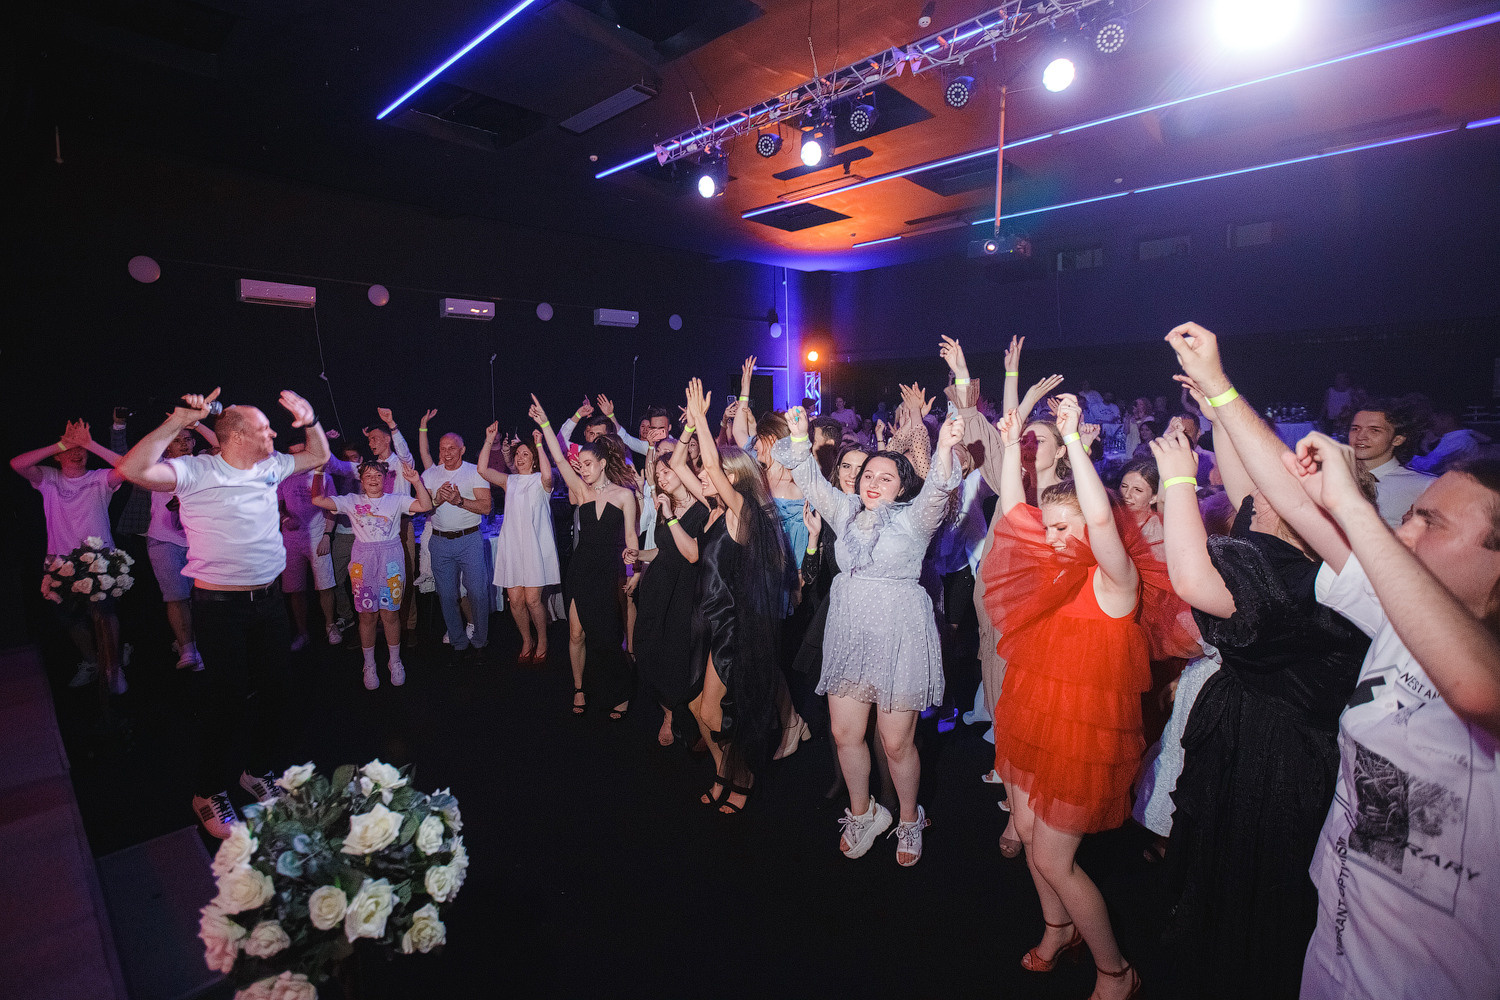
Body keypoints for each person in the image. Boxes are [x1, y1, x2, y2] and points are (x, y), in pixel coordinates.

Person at [1164, 321, 1500, 1000]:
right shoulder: (1395, 615)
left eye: (1430, 522)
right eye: (1410, 515)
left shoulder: (1469, 663)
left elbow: (1476, 689)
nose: (1404, 531)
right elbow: (1287, 497)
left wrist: (1352, 508)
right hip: (1338, 938)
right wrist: (1219, 388)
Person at [1149, 409, 1371, 999]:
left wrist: (1178, 481)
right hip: (1243, 730)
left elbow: (1193, 582)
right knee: (1216, 863)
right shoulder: (1280, 548)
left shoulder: (1305, 584)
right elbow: (1249, 487)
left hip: (1279, 758)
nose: (1258, 492)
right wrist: (1216, 409)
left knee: (1255, 883)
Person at [983, 393, 1192, 1000]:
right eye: (1048, 527)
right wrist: (1010, 445)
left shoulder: (1115, 580)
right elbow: (1012, 510)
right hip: (1033, 714)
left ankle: (1116, 969)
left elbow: (1100, 521)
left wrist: (1074, 440)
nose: (1050, 537)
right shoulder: (1051, 567)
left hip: (1081, 735)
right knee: (1028, 833)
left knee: (1055, 857)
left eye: (1062, 527)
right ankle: (1059, 928)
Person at [116, 387, 329, 838]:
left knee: (277, 692)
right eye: (264, 428)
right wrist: (178, 420)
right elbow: (130, 470)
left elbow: (317, 456)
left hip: (268, 603)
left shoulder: (271, 465)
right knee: (226, 702)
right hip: (220, 608)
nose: (273, 433)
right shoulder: (196, 471)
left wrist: (311, 421)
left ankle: (256, 771)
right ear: (235, 436)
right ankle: (207, 791)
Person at [778, 400, 966, 864]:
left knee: (896, 741)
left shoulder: (915, 517)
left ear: (902, 486)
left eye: (886, 477)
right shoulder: (844, 510)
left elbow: (938, 489)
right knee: (844, 733)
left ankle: (909, 818)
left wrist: (944, 447)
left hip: (899, 636)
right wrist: (800, 438)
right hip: (850, 632)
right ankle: (863, 814)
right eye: (868, 475)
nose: (873, 482)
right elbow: (811, 481)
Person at [675, 379, 789, 814]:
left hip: (732, 627)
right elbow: (679, 464)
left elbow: (708, 462)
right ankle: (724, 769)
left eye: (713, 473)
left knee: (716, 713)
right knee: (697, 708)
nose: (703, 475)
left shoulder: (744, 513)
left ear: (734, 477)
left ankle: (740, 777)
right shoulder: (713, 511)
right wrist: (689, 426)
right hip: (707, 620)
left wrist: (703, 421)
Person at [530, 394, 639, 718]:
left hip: (607, 571)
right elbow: (559, 457)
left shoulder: (625, 495)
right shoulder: (580, 491)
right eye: (581, 464)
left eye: (588, 463)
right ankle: (579, 688)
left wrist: (633, 572)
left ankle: (620, 689)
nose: (583, 468)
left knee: (606, 636)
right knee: (576, 632)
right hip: (580, 569)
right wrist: (545, 423)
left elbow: (631, 538)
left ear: (603, 463)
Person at [12, 419, 128, 691]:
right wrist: (62, 443)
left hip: (101, 561)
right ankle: (92, 662)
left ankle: (113, 668)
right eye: (70, 449)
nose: (77, 453)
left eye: (81, 449)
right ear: (58, 454)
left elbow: (128, 467)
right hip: (61, 562)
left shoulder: (99, 478)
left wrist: (91, 444)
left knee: (104, 615)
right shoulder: (49, 479)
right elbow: (17, 464)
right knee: (72, 619)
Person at [313, 459, 432, 688]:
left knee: (390, 613)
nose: (373, 480)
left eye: (378, 475)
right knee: (367, 615)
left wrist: (416, 482)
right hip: (363, 561)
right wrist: (319, 470)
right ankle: (369, 664)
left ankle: (394, 661)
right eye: (368, 475)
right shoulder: (351, 501)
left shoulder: (396, 500)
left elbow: (425, 506)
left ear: (385, 479)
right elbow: (317, 499)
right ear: (361, 480)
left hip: (391, 559)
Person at [629, 435, 709, 747]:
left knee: (678, 657)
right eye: (658, 474)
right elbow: (662, 550)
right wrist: (639, 554)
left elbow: (691, 554)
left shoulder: (703, 509)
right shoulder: (667, 506)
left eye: (667, 471)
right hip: (657, 590)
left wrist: (671, 517)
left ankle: (686, 717)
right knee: (648, 651)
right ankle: (667, 711)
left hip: (684, 593)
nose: (661, 478)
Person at [479, 423, 560, 664]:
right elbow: (482, 470)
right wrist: (489, 439)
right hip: (513, 546)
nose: (520, 458)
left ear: (534, 460)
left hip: (534, 547)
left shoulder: (541, 481)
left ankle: (542, 640)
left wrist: (539, 445)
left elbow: (548, 475)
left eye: (526, 454)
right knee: (515, 600)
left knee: (533, 600)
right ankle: (527, 640)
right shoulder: (509, 481)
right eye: (518, 454)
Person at [416, 412, 493, 663]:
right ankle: (459, 643)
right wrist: (438, 499)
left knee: (478, 593)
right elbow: (423, 507)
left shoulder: (475, 472)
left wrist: (459, 500)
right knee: (447, 595)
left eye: (452, 448)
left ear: (462, 450)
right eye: (442, 448)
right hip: (440, 541)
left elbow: (486, 507)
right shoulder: (431, 474)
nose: (447, 452)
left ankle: (480, 640)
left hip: (470, 539)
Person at [143, 422, 217, 671]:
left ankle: (203, 646)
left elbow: (222, 445)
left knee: (206, 599)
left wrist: (197, 424)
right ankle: (187, 649)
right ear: (167, 446)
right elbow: (138, 456)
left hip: (200, 541)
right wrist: (171, 425)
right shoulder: (158, 466)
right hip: (164, 540)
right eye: (177, 440)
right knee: (176, 596)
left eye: (188, 439)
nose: (184, 444)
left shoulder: (204, 463)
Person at [364, 408, 419, 643]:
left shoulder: (401, 463)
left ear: (387, 439)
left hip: (401, 525)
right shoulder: (371, 467)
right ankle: (380, 622)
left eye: (375, 439)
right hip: (376, 529)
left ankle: (409, 624)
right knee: (377, 576)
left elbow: (404, 452)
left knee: (403, 575)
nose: (371, 443)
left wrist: (392, 425)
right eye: (369, 440)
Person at [278, 442, 340, 651]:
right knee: (294, 588)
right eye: (294, 454)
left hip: (317, 534)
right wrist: (285, 519)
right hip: (292, 538)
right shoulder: (284, 478)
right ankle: (302, 632)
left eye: (301, 452)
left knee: (325, 584)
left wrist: (327, 536)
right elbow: (276, 506)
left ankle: (330, 626)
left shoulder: (323, 476)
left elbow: (333, 508)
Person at [1347, 402, 1433, 528]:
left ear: (1397, 439)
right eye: (1355, 429)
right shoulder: (1331, 475)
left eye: (1374, 430)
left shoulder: (1424, 485)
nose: (1360, 436)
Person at [1409, 408, 1491, 475]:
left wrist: (1407, 458)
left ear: (1447, 420)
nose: (1431, 427)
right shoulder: (1455, 438)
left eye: (1433, 423)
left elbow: (1429, 465)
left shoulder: (1458, 440)